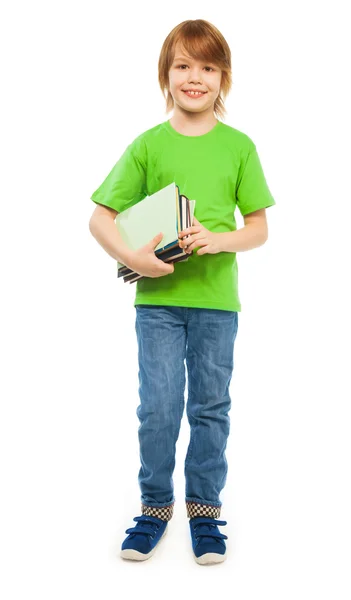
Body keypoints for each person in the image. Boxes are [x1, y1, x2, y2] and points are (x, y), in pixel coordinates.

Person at [89, 19, 276, 565]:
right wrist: (131, 256)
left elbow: (259, 228)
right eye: (183, 65)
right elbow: (100, 216)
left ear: (225, 79)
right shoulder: (148, 145)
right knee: (160, 409)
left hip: (217, 303)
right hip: (158, 304)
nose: (196, 77)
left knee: (211, 408)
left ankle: (203, 508)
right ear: (166, 76)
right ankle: (154, 506)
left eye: (209, 67)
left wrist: (218, 240)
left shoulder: (239, 147)